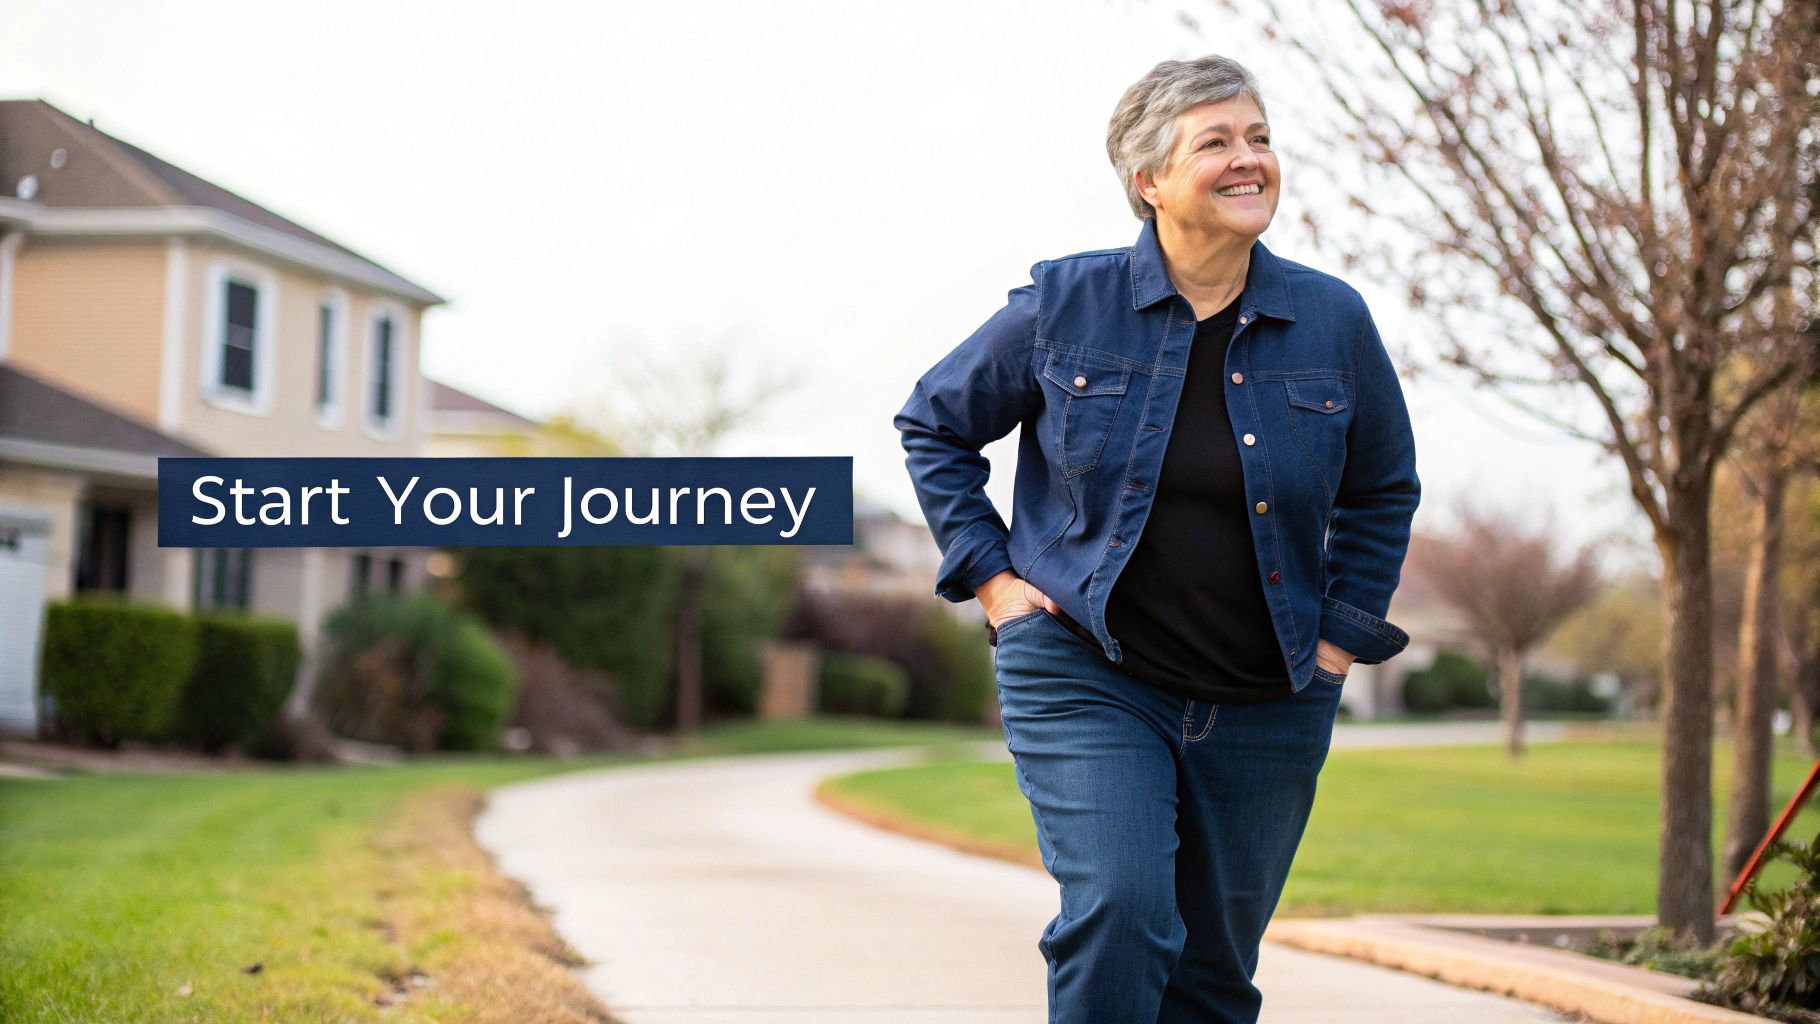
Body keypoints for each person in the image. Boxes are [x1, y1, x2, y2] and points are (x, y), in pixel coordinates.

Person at [892, 54, 1422, 1023]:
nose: (1247, 159)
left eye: (1257, 137)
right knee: (1122, 911)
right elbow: (933, 421)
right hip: (1090, 669)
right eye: (1214, 142)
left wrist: (1339, 636)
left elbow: (1382, 486)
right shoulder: (1064, 306)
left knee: (1212, 975)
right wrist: (996, 584)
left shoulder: (1331, 322)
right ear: (1147, 181)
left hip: (1269, 693)